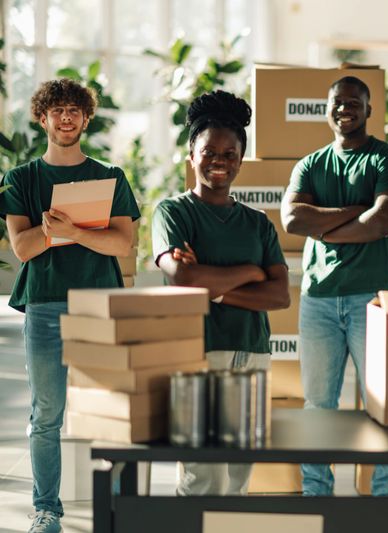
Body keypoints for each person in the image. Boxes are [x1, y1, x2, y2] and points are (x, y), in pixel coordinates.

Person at [0, 78, 140, 533]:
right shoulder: (21, 179)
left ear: (86, 117)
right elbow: (21, 248)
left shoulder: (110, 177)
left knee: (112, 410)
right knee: (47, 415)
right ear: (42, 118)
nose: (66, 117)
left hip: (99, 303)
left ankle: (119, 507)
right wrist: (50, 231)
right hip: (44, 307)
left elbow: (122, 243)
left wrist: (75, 233)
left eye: (74, 110)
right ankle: (47, 510)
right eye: (56, 110)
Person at [152, 90, 290, 495]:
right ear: (191, 155)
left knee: (238, 475)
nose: (219, 161)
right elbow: (183, 279)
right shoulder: (173, 213)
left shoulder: (258, 223)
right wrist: (249, 272)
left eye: (230, 154)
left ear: (240, 161)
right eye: (209, 151)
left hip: (252, 351)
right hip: (197, 350)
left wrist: (213, 288)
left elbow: (279, 295)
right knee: (199, 474)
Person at [280, 75, 388, 496]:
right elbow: (294, 220)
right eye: (337, 101)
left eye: (354, 102)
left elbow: (384, 222)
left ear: (369, 110)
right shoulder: (310, 164)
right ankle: (316, 492)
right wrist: (356, 214)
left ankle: (385, 493)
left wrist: (326, 225)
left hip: (372, 298)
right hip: (318, 299)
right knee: (318, 406)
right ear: (327, 108)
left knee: (383, 403)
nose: (344, 108)